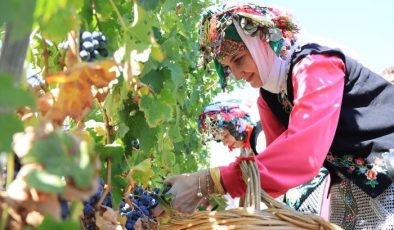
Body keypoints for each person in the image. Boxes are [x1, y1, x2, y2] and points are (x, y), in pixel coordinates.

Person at [164, 2, 394, 229]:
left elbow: (302, 155)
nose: (236, 75)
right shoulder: (268, 97)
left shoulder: (314, 64)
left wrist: (209, 181)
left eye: (238, 59)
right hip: (353, 184)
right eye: (227, 68)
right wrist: (212, 192)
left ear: (262, 42)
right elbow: (277, 168)